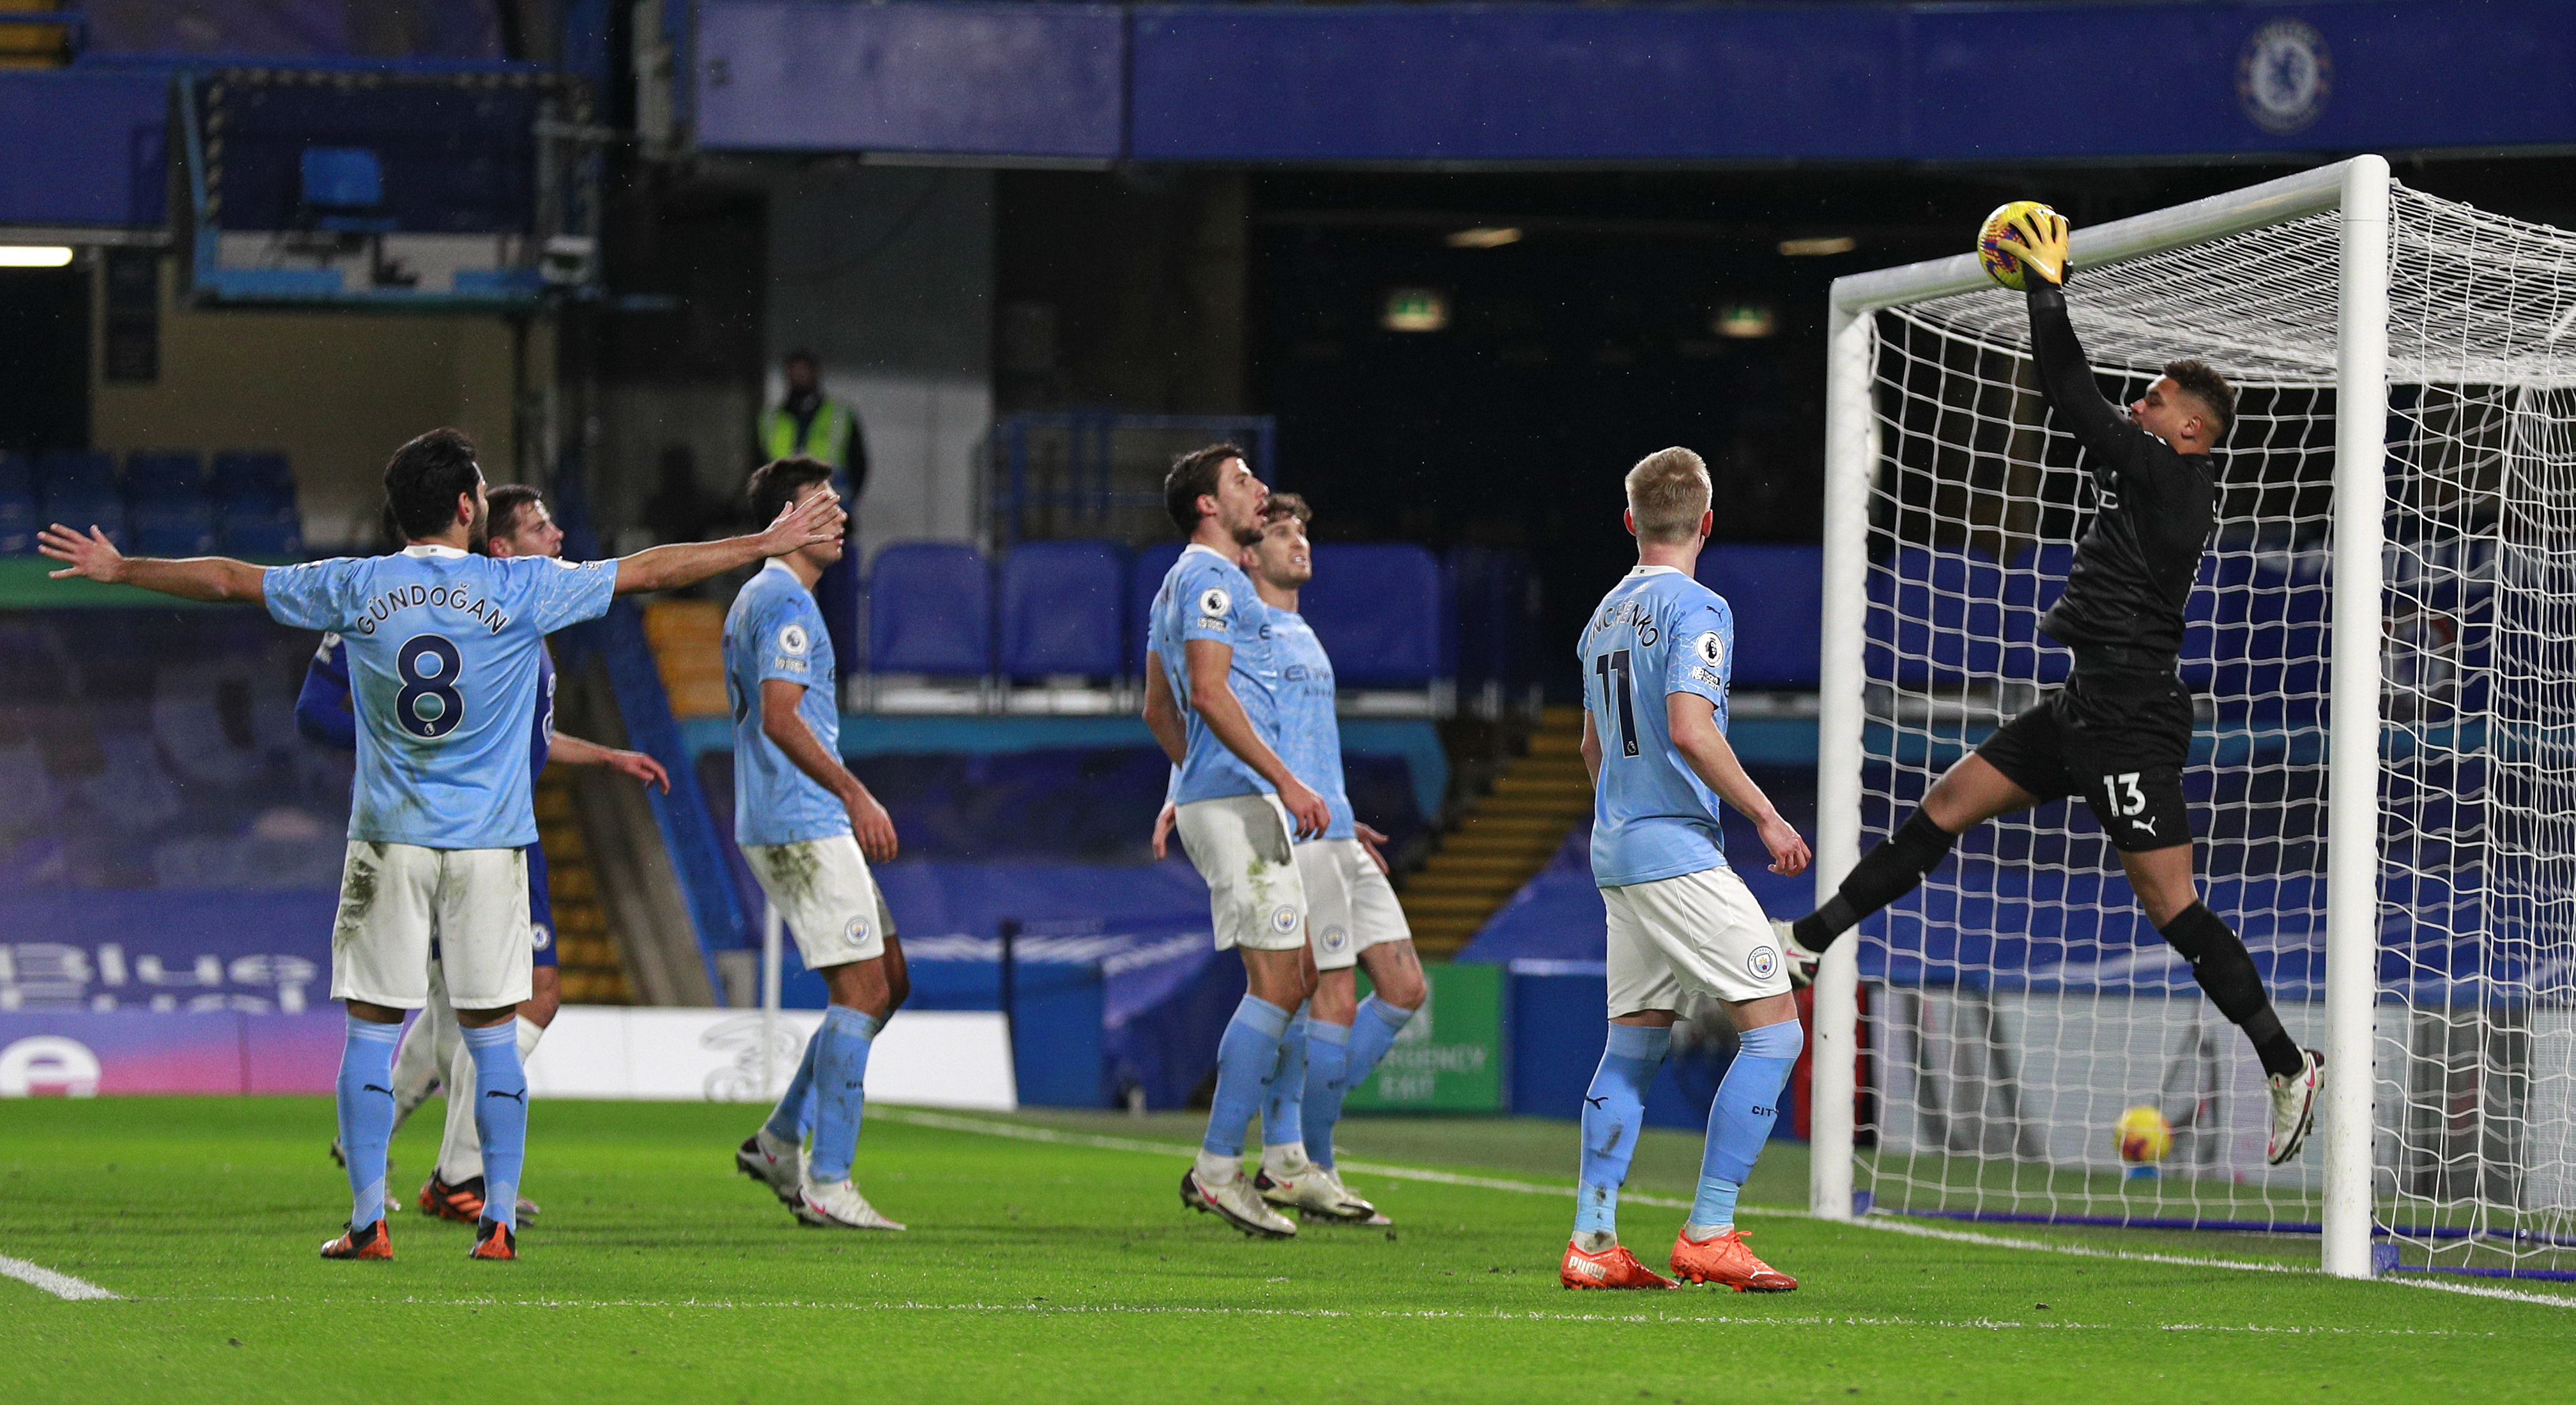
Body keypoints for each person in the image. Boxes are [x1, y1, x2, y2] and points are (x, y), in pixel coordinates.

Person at [41, 427, 842, 1262]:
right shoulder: (523, 586)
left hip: (389, 840)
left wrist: (125, 566)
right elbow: (652, 568)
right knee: (496, 1033)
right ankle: (495, 1220)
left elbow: (230, 579)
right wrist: (762, 543)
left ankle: (365, 1223)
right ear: (467, 507)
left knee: (370, 1032)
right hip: (492, 846)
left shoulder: (354, 584)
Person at [1775, 208, 2325, 1167]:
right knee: (1946, 800)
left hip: (2130, 716)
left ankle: (2285, 1062)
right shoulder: (2153, 473)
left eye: (2153, 400)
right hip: (2084, 702)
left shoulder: (2174, 478)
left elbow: (2070, 394)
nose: (2139, 406)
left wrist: (2045, 284)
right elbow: (2087, 404)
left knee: (2168, 901)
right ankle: (1810, 940)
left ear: (2190, 427)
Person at [300, 485, 671, 1227]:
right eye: (539, 525)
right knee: (525, 999)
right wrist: (395, 742)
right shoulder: (420, 603)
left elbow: (512, 737)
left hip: (484, 829)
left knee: (450, 1009)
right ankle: (461, 1173)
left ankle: (387, 1135)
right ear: (494, 543)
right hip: (466, 833)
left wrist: (602, 757)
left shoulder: (518, 617)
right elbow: (318, 710)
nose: (559, 533)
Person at [1561, 446, 1813, 1293]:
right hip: (1671, 844)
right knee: (1776, 1029)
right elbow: (1691, 725)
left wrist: (1622, 822)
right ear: (1707, 522)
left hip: (1618, 848)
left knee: (1632, 1046)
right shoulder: (1698, 605)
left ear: (1631, 521)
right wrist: (1767, 814)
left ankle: (1593, 1239)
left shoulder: (1601, 617)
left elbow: (1592, 745)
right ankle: (1708, 1229)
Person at [1155, 493, 1426, 1226]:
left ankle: (1294, 1156)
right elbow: (1199, 706)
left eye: (1305, 529)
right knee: (1322, 994)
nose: (1299, 541)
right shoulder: (1244, 622)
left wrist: (1341, 813)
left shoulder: (1297, 628)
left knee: (1402, 987)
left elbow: (1298, 735)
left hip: (1332, 825)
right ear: (1249, 550)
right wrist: (1182, 790)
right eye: (1281, 532)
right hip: (1293, 829)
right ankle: (1302, 1160)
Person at [1142, 443, 1331, 1240]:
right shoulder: (1213, 578)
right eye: (1242, 480)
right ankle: (1223, 1167)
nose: (1259, 490)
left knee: (1297, 973)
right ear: (1209, 507)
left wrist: (1188, 784)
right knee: (1282, 982)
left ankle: (1256, 1158)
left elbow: (1158, 706)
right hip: (1243, 801)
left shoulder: (1176, 582)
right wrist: (1283, 781)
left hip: (1220, 796)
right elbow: (1208, 691)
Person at [723, 456, 914, 1231]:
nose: (841, 518)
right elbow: (780, 714)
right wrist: (854, 790)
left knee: (888, 978)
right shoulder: (786, 604)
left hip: (796, 817)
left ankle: (777, 1142)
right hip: (801, 819)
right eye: (823, 506)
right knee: (863, 991)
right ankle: (827, 1181)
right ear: (784, 522)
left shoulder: (765, 598)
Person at [756, 350, 866, 689]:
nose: (800, 378)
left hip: (830, 527)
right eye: (794, 372)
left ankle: (837, 681)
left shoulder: (840, 416)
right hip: (784, 529)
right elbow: (760, 474)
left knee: (835, 607)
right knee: (783, 600)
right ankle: (782, 676)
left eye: (805, 371)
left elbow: (859, 467)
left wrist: (835, 510)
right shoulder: (771, 420)